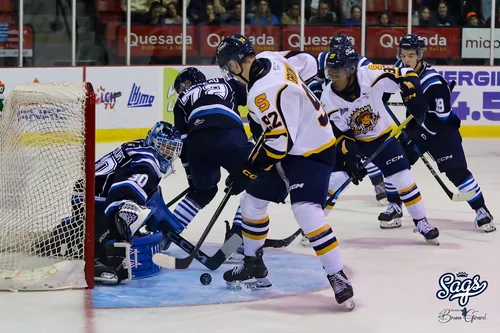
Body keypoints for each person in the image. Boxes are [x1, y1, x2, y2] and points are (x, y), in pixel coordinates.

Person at [215, 34, 355, 310]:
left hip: (312, 151)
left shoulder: (262, 93)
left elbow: (279, 147)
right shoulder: (268, 57)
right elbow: (308, 61)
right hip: (294, 143)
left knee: (306, 210)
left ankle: (337, 276)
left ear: (233, 66)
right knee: (251, 201)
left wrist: (248, 170)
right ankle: (253, 265)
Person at [33, 121, 184, 285]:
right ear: (154, 142)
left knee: (144, 200)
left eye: (172, 148)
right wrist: (122, 220)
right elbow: (123, 189)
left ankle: (68, 232)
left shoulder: (141, 146)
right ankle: (98, 258)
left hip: (85, 193)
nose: (168, 153)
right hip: (91, 199)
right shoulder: (148, 161)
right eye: (164, 146)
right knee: (127, 215)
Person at [321, 43, 440, 244]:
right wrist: (350, 159)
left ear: (350, 70)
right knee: (335, 181)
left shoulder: (368, 74)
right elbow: (341, 134)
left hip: (382, 137)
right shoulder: (328, 97)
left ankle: (421, 222)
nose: (333, 77)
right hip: (355, 142)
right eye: (330, 72)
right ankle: (315, 226)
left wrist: (414, 96)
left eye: (337, 72)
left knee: (404, 179)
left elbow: (405, 73)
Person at [388, 34, 495, 233]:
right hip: (416, 127)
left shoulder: (434, 83)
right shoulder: (400, 68)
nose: (405, 60)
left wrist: (420, 136)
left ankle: (482, 210)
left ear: (419, 56)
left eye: (410, 56)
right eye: (403, 55)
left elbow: (441, 118)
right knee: (394, 161)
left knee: (456, 172)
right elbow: (386, 86)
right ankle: (394, 206)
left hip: (442, 131)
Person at [311, 34, 387, 206]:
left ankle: (379, 184)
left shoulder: (361, 62)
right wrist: (316, 98)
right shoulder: (323, 58)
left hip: (353, 109)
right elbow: (315, 82)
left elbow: (375, 82)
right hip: (331, 105)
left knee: (364, 148)